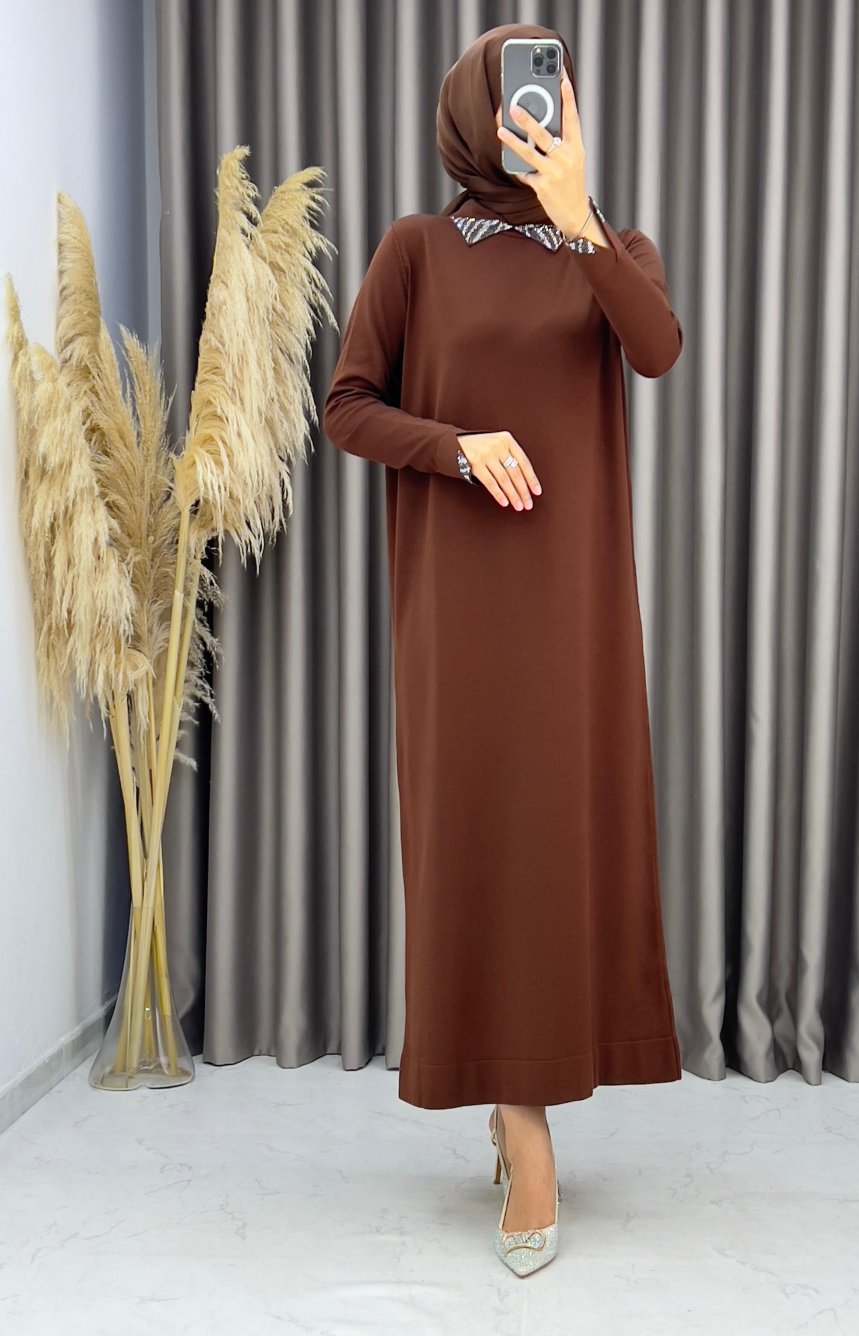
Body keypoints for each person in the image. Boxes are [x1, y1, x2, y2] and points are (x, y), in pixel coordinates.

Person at [322, 22, 684, 1277]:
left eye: (558, 87)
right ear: (476, 114)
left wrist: (581, 224)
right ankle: (521, 1127)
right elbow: (347, 405)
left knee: (558, 845)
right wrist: (455, 445)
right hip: (461, 614)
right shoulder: (415, 252)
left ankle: (524, 1101)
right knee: (481, 842)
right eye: (523, 90)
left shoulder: (614, 250)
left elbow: (657, 350)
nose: (544, 107)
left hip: (574, 611)